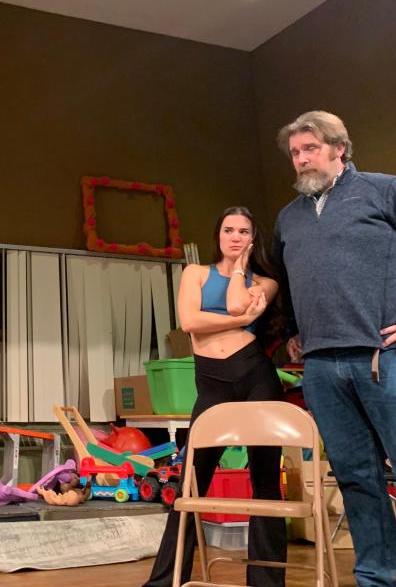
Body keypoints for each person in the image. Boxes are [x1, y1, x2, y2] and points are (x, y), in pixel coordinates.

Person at [273, 110, 396, 587]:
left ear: (340, 149)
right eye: (295, 153)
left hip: (388, 360)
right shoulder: (288, 218)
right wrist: (296, 330)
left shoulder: (387, 191)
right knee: (358, 480)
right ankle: (375, 578)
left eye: (310, 149)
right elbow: (289, 281)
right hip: (321, 368)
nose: (301, 160)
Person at [144, 206, 286, 587]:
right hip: (212, 382)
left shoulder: (265, 281)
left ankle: (267, 582)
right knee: (191, 483)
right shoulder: (195, 273)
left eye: (243, 231)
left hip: (255, 376)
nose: (235, 237)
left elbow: (239, 303)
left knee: (266, 482)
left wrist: (240, 270)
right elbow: (190, 322)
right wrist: (240, 321)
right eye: (228, 230)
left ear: (253, 238)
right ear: (218, 235)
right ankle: (164, 581)